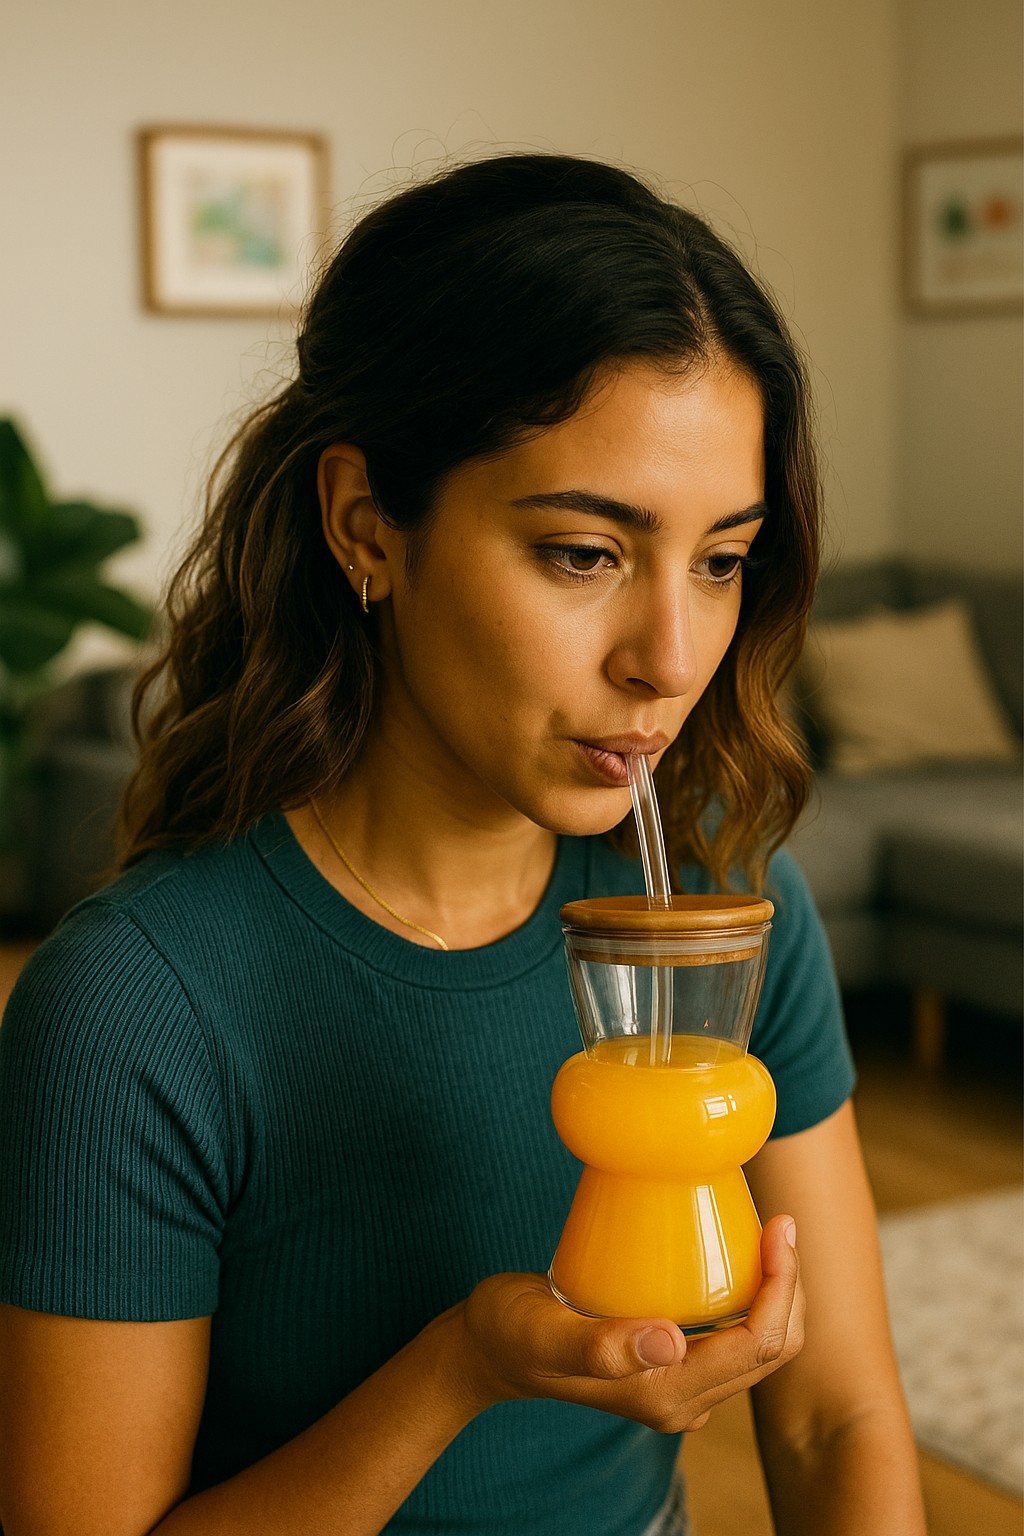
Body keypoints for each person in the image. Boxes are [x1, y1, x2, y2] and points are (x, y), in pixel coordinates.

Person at [0, 154, 925, 1536]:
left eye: (722, 559)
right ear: (367, 526)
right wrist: (460, 1372)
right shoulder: (136, 1009)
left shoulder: (728, 906)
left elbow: (838, 1415)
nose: (671, 660)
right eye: (583, 553)